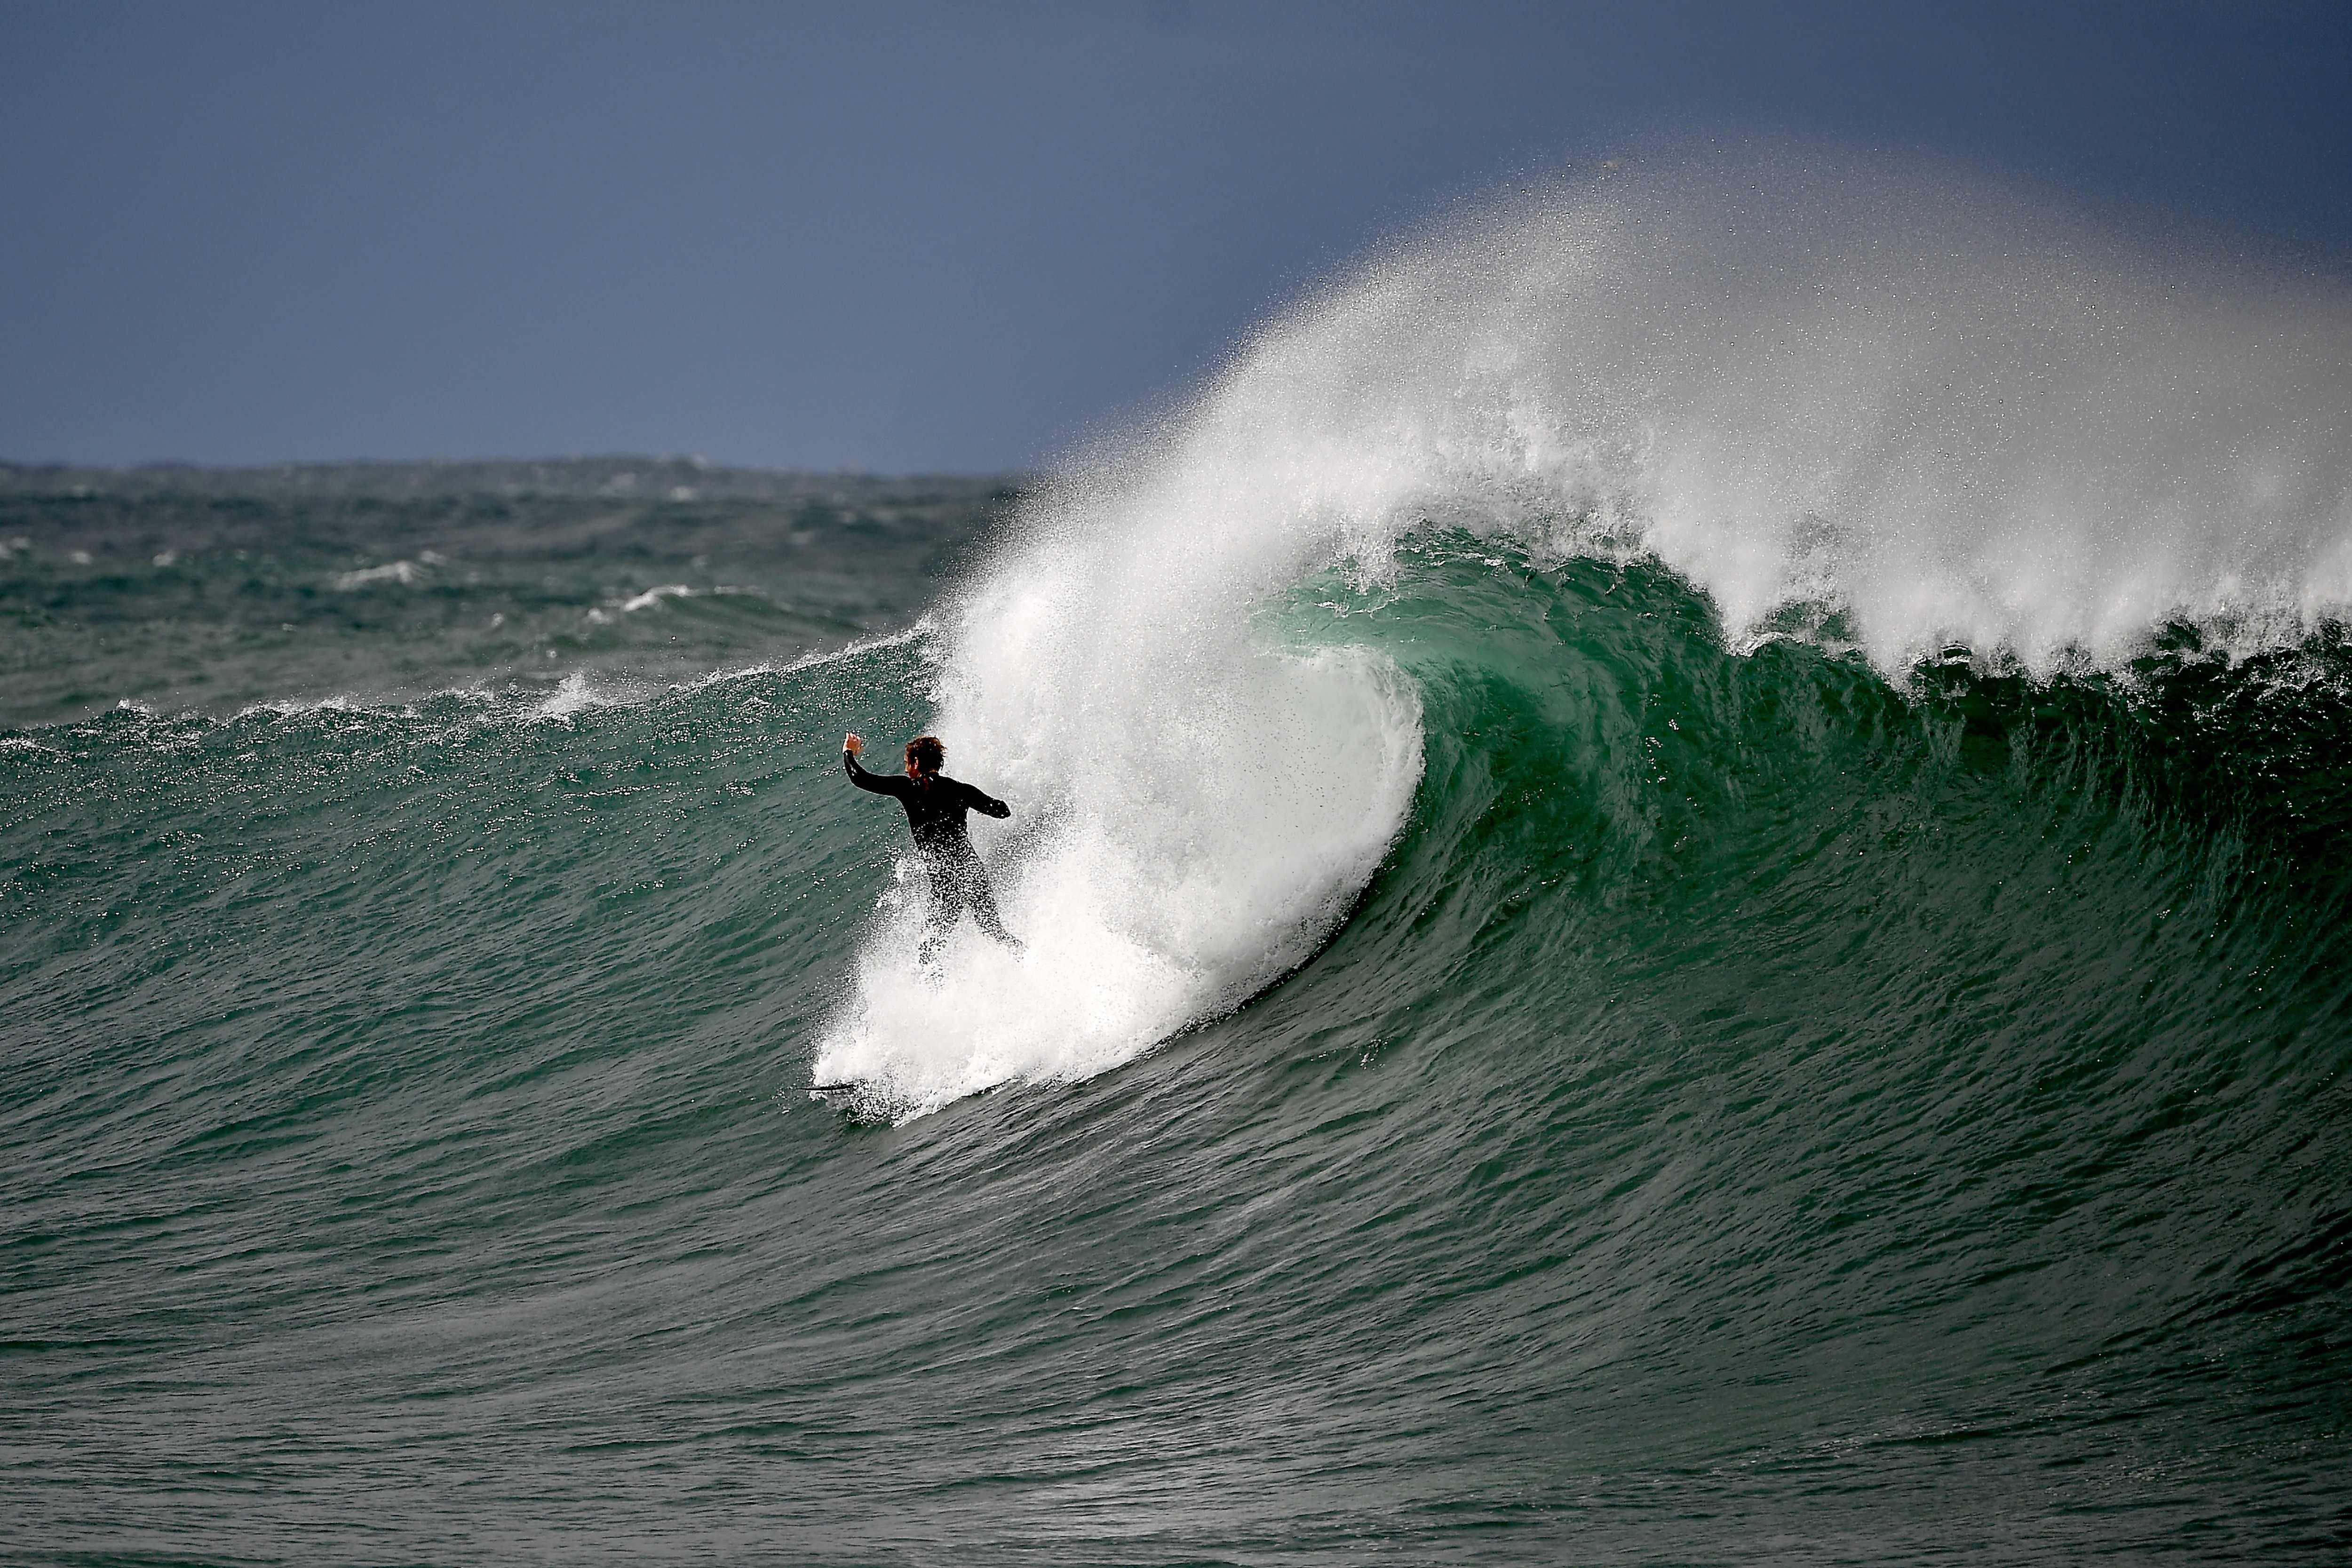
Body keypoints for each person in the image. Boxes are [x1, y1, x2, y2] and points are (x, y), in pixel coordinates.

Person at [843, 731, 1021, 962]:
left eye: (908, 764)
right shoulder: (960, 790)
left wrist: (848, 752)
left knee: (930, 950)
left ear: (916, 763)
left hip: (945, 880)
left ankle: (933, 994)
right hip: (970, 871)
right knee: (993, 931)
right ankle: (1029, 960)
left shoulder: (907, 788)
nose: (907, 769)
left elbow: (861, 778)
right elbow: (1001, 811)